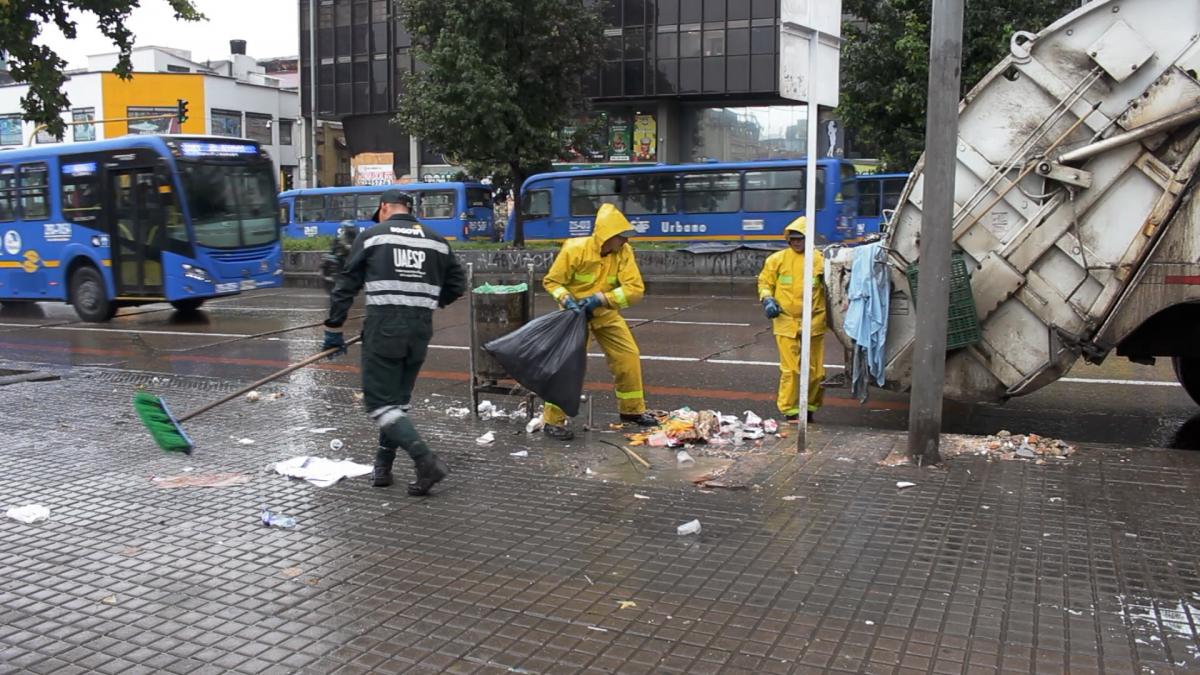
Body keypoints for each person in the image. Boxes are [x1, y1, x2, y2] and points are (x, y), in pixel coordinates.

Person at [321, 189, 466, 495]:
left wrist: (334, 328)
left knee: (380, 402)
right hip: (420, 328)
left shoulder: (373, 236)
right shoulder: (436, 241)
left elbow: (346, 283)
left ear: (384, 207)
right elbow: (457, 284)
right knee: (398, 400)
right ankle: (383, 468)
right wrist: (426, 300)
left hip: (385, 327)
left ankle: (426, 461)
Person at [541, 203, 657, 440]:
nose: (625, 241)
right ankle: (553, 421)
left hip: (605, 313)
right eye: (621, 237)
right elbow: (552, 282)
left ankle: (632, 411)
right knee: (567, 366)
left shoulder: (624, 253)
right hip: (574, 317)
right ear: (607, 236)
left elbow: (634, 290)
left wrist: (602, 299)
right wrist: (566, 299)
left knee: (627, 356)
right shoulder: (575, 249)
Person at [758, 216, 826, 423]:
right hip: (785, 321)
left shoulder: (819, 260)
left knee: (816, 372)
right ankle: (790, 410)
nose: (796, 243)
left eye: (800, 239)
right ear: (788, 240)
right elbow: (765, 282)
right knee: (791, 370)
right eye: (793, 239)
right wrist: (767, 298)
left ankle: (810, 407)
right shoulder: (776, 260)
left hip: (814, 321)